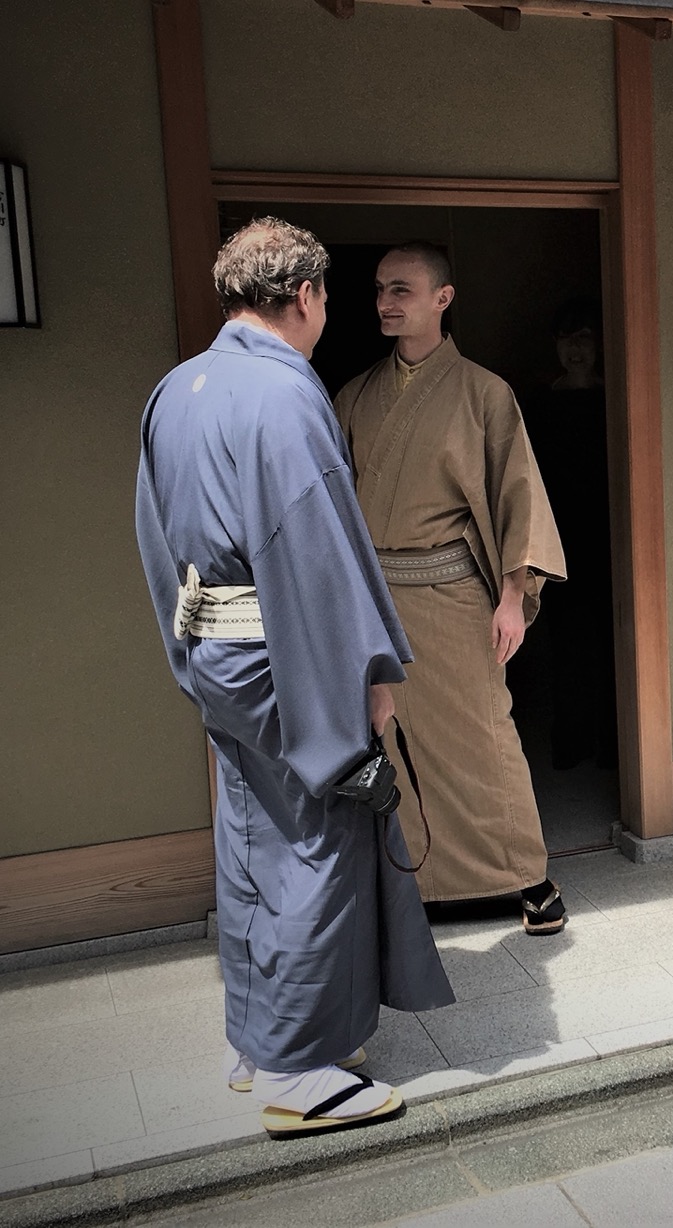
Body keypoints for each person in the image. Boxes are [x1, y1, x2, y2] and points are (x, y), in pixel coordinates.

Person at [134, 218, 455, 1138]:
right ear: (307, 296)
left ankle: (256, 1039)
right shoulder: (283, 393)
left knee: (252, 837)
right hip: (287, 657)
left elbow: (154, 533)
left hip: (217, 654)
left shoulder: (176, 388)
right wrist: (367, 672)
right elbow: (315, 544)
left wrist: (190, 658)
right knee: (322, 836)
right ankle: (297, 1071)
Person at [334, 242, 570, 934]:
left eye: (402, 289)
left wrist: (512, 596)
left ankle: (528, 876)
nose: (386, 302)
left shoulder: (484, 393)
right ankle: (418, 885)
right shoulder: (354, 395)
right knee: (389, 738)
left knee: (483, 733)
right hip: (376, 596)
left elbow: (518, 495)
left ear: (443, 298)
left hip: (455, 595)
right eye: (380, 289)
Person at [521, 298, 618, 771]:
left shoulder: (616, 398)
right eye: (566, 339)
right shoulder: (538, 403)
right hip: (559, 536)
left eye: (584, 338)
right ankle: (572, 741)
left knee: (614, 640)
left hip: (613, 533)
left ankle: (616, 744)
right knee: (567, 642)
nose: (575, 349)